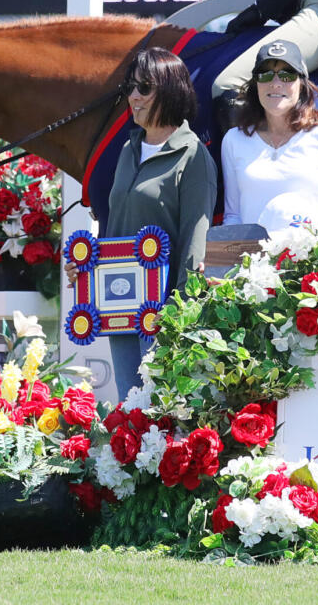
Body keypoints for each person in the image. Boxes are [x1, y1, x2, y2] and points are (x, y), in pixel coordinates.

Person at [96, 47, 216, 396]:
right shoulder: (126, 150)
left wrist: (178, 317)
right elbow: (116, 227)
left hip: (163, 316)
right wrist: (89, 267)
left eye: (144, 88)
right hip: (119, 307)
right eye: (131, 88)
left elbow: (195, 241)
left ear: (170, 90)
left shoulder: (194, 155)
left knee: (160, 412)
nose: (133, 97)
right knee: (128, 406)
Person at [220, 39, 318, 232]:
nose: (275, 84)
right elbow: (233, 215)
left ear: (301, 83)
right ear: (256, 84)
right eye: (265, 75)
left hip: (311, 261)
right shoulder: (234, 140)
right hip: (253, 261)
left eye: (286, 75)